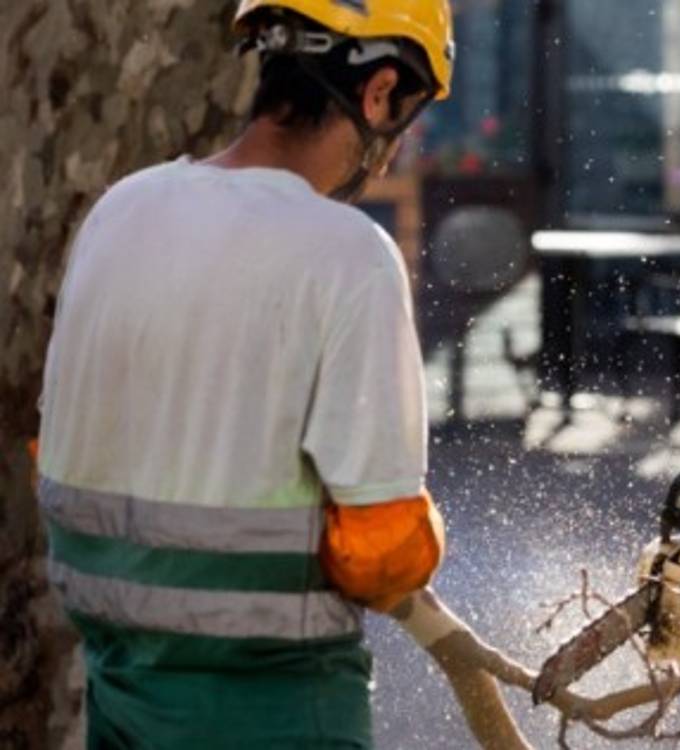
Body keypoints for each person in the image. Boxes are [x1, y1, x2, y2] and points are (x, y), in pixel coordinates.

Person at [36, 1, 454, 746]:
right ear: (380, 91)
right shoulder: (347, 255)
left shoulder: (121, 210)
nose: (391, 154)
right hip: (275, 704)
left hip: (122, 687)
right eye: (405, 120)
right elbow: (382, 553)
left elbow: (67, 452)